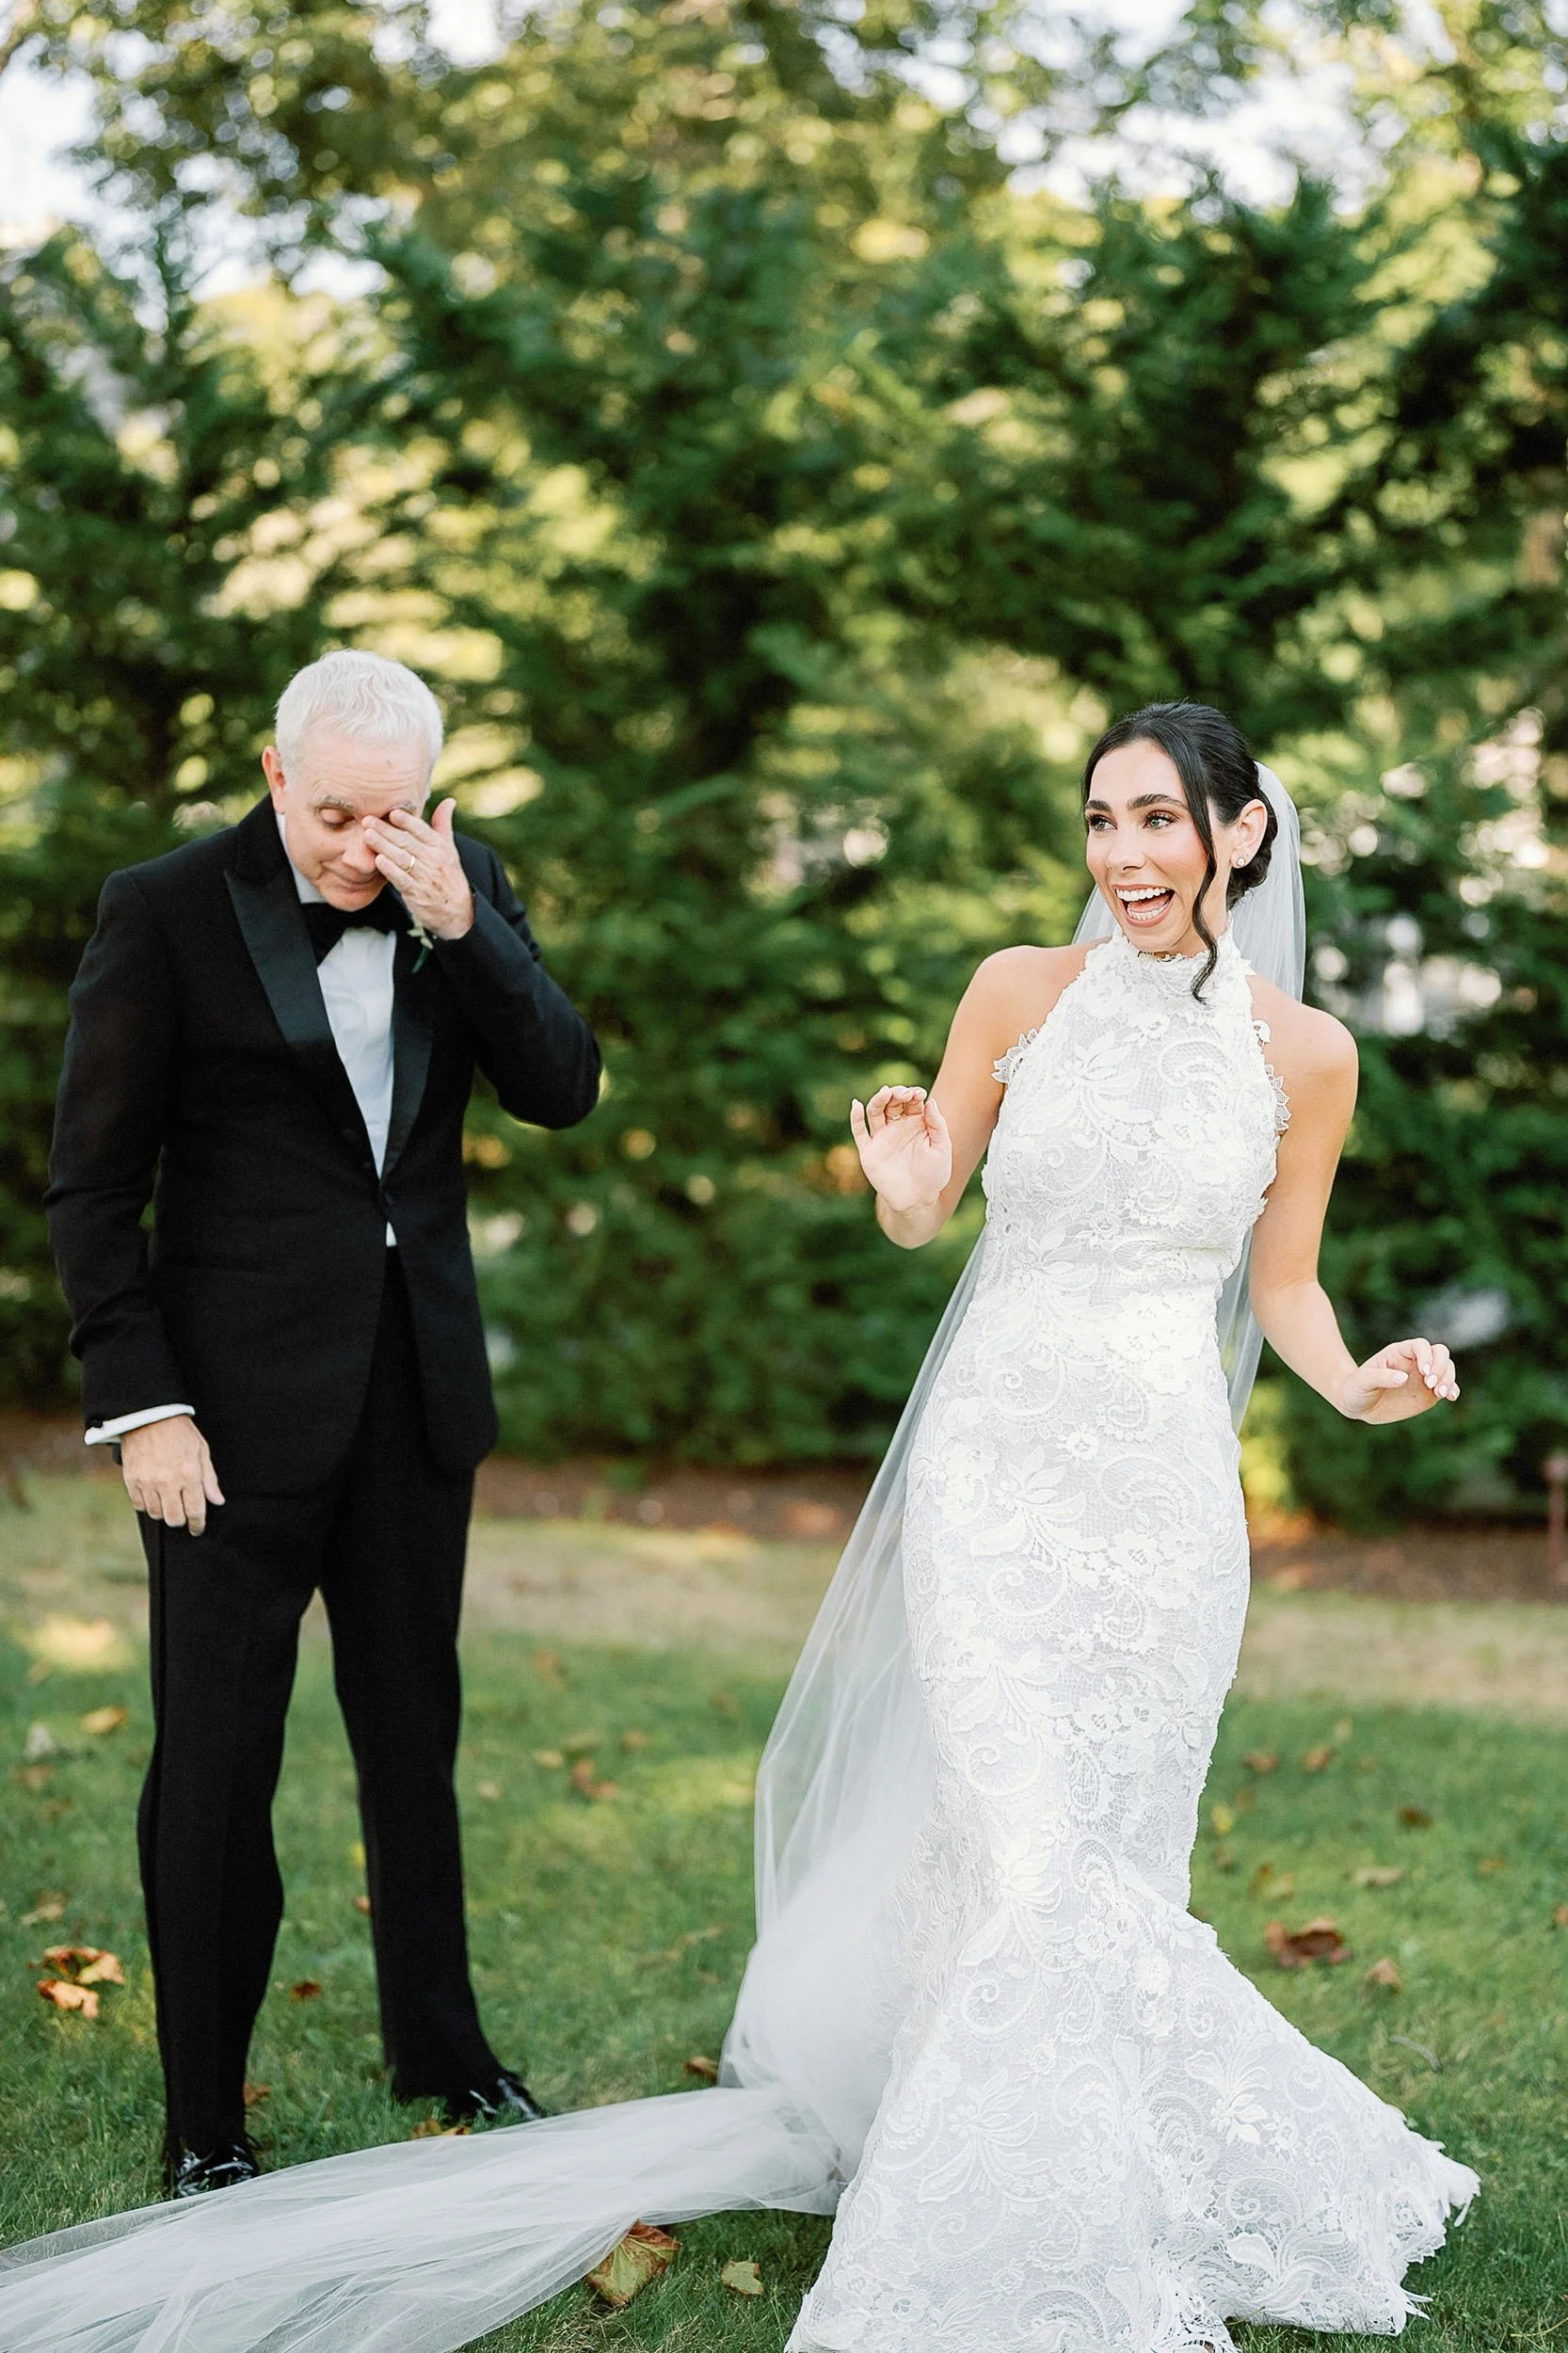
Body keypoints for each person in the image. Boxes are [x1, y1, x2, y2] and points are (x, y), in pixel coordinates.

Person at [4, 701, 1475, 2351]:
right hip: (996, 1471)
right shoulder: (1016, 990)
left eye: (1154, 820)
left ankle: (1100, 2158)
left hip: (1160, 1492)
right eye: (1099, 820)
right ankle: (989, 2194)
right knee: (1021, 1840)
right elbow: (927, 1209)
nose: (1122, 854)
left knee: (1111, 1855)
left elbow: (1284, 1289)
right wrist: (905, 1184)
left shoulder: (1309, 1055)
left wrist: (1362, 1388)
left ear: (1240, 833)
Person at [43, 649, 601, 2198]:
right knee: (216, 1759)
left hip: (416, 1394)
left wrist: (464, 926)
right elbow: (93, 1187)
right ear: (276, 774)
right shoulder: (164, 908)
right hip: (218, 1420)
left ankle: (445, 2047)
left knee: (414, 1732)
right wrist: (143, 1407)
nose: (366, 849)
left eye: (395, 815)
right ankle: (205, 2121)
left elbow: (561, 1086)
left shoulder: (455, 887)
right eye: (337, 815)